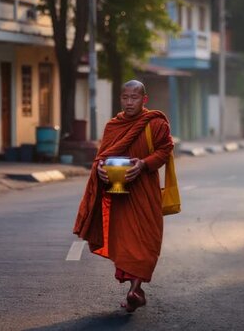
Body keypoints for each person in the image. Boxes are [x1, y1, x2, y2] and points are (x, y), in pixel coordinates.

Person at [74, 80, 174, 312]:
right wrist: (99, 168)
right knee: (127, 243)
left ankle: (135, 289)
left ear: (144, 100)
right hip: (119, 193)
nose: (129, 102)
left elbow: (165, 149)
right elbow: (103, 156)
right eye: (125, 97)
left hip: (145, 191)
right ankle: (134, 289)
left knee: (147, 240)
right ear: (121, 99)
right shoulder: (113, 126)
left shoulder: (155, 123)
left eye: (134, 98)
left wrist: (144, 164)